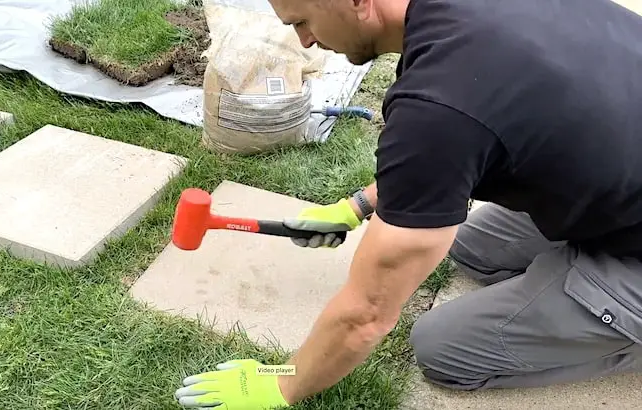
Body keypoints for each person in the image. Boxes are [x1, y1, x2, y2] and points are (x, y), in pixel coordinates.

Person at [173, 0, 642, 407]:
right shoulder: (461, 30)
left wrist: (285, 384)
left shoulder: (441, 101)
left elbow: (366, 315)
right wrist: (356, 206)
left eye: (302, 21)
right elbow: (454, 146)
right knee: (472, 247)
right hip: (624, 170)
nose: (306, 41)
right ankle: (590, 275)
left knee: (443, 350)